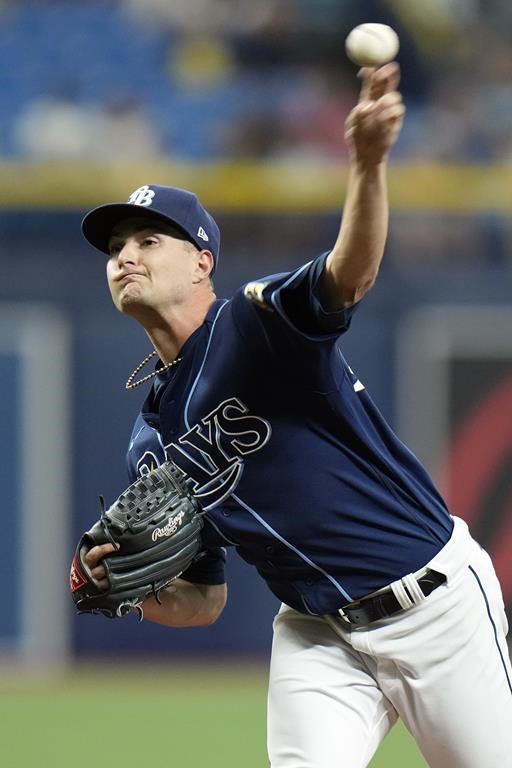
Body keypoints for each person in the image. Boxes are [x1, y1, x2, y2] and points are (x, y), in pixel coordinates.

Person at [79, 63, 512, 768]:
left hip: (434, 608)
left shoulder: (254, 325)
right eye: (116, 248)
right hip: (317, 634)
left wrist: (368, 165)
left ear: (202, 263)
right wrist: (125, 591)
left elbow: (351, 273)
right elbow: (203, 600)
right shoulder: (149, 443)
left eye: (149, 241)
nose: (126, 256)